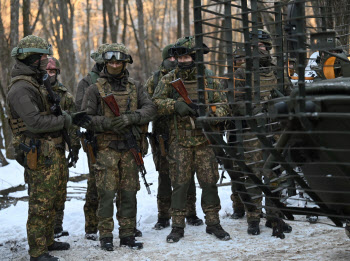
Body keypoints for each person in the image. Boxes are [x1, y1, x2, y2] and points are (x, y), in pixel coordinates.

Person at [7, 35, 81, 261]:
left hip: (52, 151)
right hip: (38, 154)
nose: (46, 61)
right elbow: (35, 123)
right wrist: (65, 120)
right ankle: (37, 252)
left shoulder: (37, 83)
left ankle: (48, 240)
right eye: (42, 57)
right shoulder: (21, 88)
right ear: (31, 58)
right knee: (40, 204)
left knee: (54, 200)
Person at [153, 36, 230, 243]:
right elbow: (156, 103)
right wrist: (175, 105)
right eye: (181, 56)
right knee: (179, 185)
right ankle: (177, 226)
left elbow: (223, 105)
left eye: (188, 56)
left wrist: (210, 111)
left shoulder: (209, 79)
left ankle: (213, 223)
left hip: (205, 141)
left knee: (209, 183)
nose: (184, 60)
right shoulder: (168, 79)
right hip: (179, 142)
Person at [82, 43, 156, 251]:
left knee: (129, 192)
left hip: (130, 149)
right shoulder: (94, 89)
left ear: (125, 63)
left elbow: (150, 109)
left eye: (119, 61)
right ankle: (105, 235)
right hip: (106, 149)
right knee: (106, 193)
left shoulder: (135, 86)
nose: (115, 65)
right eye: (111, 62)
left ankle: (127, 234)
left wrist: (132, 118)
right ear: (105, 63)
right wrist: (106, 123)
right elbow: (84, 118)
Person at [231, 29, 292, 235]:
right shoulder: (241, 73)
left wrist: (279, 107)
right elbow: (236, 101)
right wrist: (254, 112)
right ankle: (253, 218)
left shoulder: (277, 72)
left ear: (268, 47)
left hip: (276, 131)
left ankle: (274, 216)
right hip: (252, 132)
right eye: (253, 47)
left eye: (261, 46)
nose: (258, 50)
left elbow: (290, 96)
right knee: (254, 175)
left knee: (275, 174)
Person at [145, 44, 203, 230]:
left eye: (174, 58)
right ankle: (163, 216)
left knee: (188, 174)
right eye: (169, 58)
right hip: (163, 135)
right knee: (164, 176)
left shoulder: (189, 76)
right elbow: (148, 106)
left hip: (186, 133)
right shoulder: (155, 80)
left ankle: (190, 212)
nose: (172, 61)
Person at [43, 57, 81, 238]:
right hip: (40, 150)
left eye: (52, 72)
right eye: (46, 71)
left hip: (59, 149)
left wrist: (75, 148)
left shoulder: (65, 96)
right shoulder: (34, 92)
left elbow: (73, 124)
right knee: (43, 194)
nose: (49, 75)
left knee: (60, 191)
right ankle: (44, 232)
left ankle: (56, 227)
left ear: (57, 73)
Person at [75, 44, 108, 241]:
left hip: (118, 137)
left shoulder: (124, 80)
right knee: (95, 183)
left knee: (122, 183)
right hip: (95, 139)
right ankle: (91, 226)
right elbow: (81, 111)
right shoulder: (87, 82)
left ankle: (124, 225)